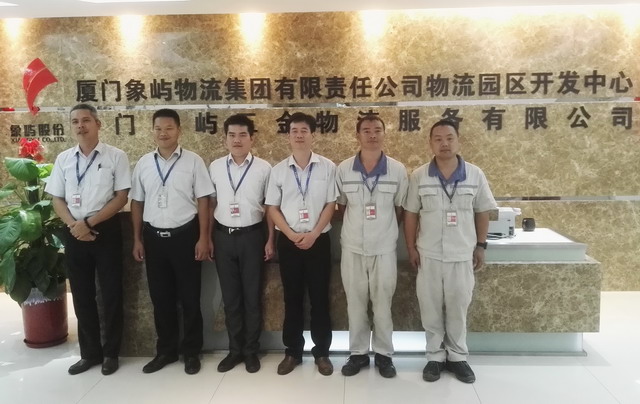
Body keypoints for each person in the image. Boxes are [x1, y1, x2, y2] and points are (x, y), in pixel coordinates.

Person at [403, 119, 496, 384]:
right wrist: (410, 248)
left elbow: (482, 211)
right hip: (429, 254)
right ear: (430, 143)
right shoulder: (420, 175)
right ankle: (434, 356)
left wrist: (481, 246)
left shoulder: (475, 174)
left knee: (458, 306)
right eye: (438, 139)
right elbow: (410, 214)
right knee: (430, 307)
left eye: (449, 138)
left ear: (458, 140)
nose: (444, 143)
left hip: (462, 254)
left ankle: (457, 357)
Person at [46, 103, 130, 376]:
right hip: (74, 233)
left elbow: (121, 197)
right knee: (82, 296)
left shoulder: (116, 156)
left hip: (105, 231)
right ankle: (89, 354)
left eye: (85, 120)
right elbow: (57, 198)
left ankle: (111, 354)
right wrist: (75, 226)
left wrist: (89, 223)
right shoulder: (64, 159)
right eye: (75, 122)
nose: (80, 126)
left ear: (97, 124)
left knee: (111, 294)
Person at [130, 108, 214, 375]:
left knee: (190, 298)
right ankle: (165, 351)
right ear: (152, 131)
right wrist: (137, 239)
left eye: (168, 128)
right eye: (158, 128)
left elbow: (204, 201)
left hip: (185, 237)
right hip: (154, 239)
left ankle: (191, 352)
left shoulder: (193, 161)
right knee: (161, 298)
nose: (163, 133)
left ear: (179, 130)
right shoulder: (144, 163)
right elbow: (137, 202)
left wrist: (203, 237)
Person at [265, 112, 337, 376]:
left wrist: (314, 233)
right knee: (292, 298)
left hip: (319, 241)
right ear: (288, 136)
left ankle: (322, 353)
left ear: (313, 135)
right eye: (294, 131)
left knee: (320, 298)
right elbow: (272, 208)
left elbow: (331, 204)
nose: (298, 135)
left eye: (304, 130)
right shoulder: (278, 170)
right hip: (289, 242)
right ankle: (293, 351)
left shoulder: (328, 167)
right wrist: (290, 234)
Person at [336, 115, 408, 378]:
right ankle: (358, 354)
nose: (372, 135)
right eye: (366, 130)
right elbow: (341, 208)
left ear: (384, 134)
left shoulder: (397, 170)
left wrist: (384, 231)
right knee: (355, 303)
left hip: (384, 248)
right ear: (358, 135)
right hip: (353, 247)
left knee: (382, 303)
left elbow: (400, 208)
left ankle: (384, 355)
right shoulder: (344, 169)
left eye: (377, 130)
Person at [209, 114, 274, 373]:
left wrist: (270, 240)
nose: (237, 140)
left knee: (252, 297)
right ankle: (234, 350)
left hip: (253, 237)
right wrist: (208, 238)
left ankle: (250, 351)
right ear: (225, 138)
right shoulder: (215, 167)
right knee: (231, 298)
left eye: (242, 135)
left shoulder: (264, 168)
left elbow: (270, 208)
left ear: (252, 138)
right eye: (232, 135)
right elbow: (210, 204)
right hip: (223, 237)